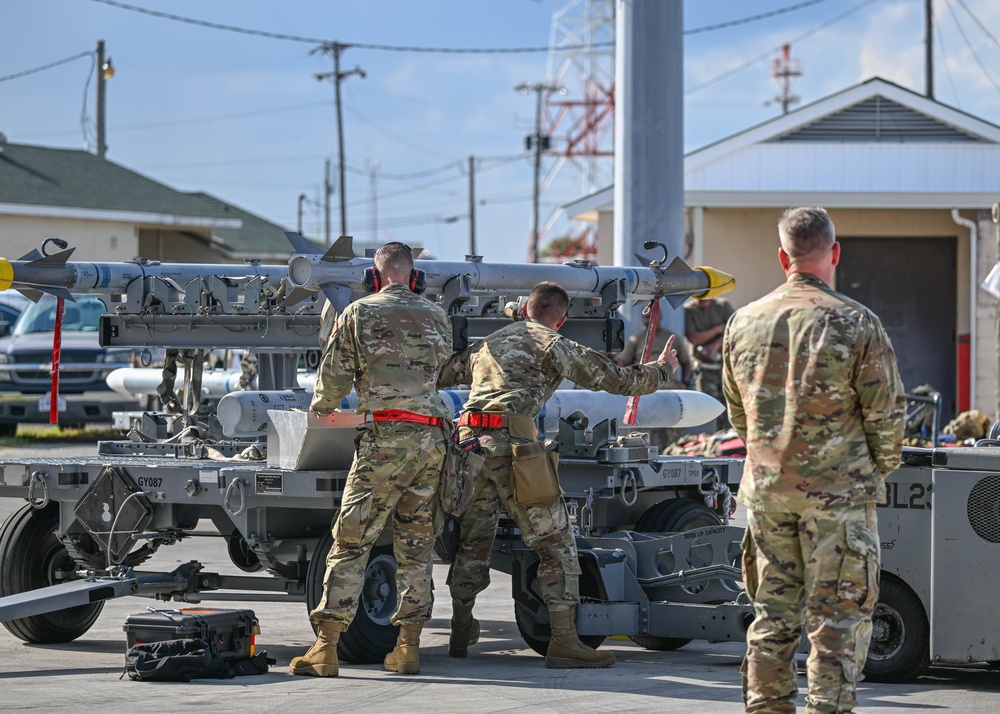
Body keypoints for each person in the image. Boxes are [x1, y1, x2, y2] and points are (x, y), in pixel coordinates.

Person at [721, 207, 906, 713]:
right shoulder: (855, 321)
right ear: (835, 253)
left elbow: (739, 416)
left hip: (766, 496)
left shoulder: (743, 322)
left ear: (783, 257)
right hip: (838, 502)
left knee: (771, 618)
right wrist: (870, 473)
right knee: (837, 621)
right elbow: (887, 420)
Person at [439, 281, 680, 669]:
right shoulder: (552, 343)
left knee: (473, 541)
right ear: (562, 318)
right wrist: (663, 370)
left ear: (525, 309)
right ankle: (565, 641)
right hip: (515, 449)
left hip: (468, 448)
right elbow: (618, 381)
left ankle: (460, 628)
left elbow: (445, 373)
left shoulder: (490, 342)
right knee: (555, 542)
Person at [290, 242, 452, 678]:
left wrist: (320, 410)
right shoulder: (437, 315)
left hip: (386, 439)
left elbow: (333, 375)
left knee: (351, 542)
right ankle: (408, 649)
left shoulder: (359, 313)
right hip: (432, 439)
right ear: (414, 277)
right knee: (417, 547)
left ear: (374, 277)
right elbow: (442, 370)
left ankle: (325, 650)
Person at [616, 308, 692, 451]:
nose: (650, 321)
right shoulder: (636, 339)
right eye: (646, 318)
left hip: (669, 389)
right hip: (646, 389)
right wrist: (629, 383)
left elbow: (686, 362)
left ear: (660, 317)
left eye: (653, 317)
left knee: (673, 430)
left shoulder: (671, 338)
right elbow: (622, 363)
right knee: (648, 431)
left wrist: (685, 382)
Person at [685, 294, 735, 431]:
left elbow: (732, 330)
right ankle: (714, 440)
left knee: (731, 407)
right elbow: (694, 337)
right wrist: (718, 329)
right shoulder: (689, 310)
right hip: (705, 369)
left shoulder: (722, 305)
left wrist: (713, 346)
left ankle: (729, 440)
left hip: (726, 368)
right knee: (709, 410)